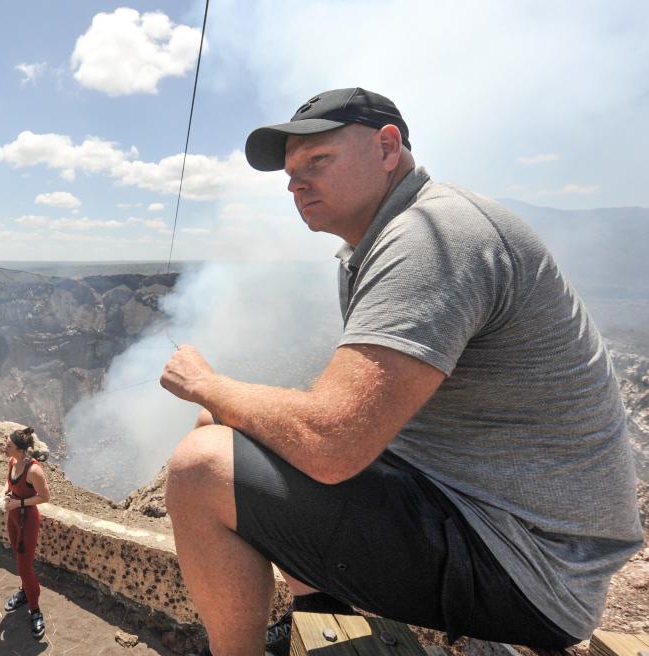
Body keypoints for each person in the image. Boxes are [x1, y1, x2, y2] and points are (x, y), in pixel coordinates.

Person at [159, 87, 643, 656]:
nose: (296, 184)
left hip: (529, 567)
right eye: (290, 173)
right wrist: (224, 401)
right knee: (238, 420)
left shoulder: (431, 238)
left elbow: (333, 443)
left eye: (318, 161)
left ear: (389, 148)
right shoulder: (395, 234)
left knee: (200, 468)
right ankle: (320, 608)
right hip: (487, 519)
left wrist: (205, 383)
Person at [0, 426, 51, 640]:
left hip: (27, 520)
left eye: (8, 445)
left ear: (20, 449)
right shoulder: (13, 462)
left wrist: (18, 502)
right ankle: (24, 591)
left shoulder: (33, 470)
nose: (5, 447)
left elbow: (45, 497)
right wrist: (3, 493)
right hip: (13, 517)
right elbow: (8, 482)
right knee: (18, 559)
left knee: (24, 565)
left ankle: (35, 609)